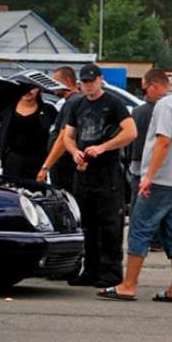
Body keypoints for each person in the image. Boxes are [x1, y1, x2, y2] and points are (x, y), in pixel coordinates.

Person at [97, 69, 172, 302]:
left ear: (154, 85)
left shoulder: (164, 106)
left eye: (144, 88)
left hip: (161, 179)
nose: (144, 93)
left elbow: (163, 141)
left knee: (140, 227)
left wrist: (148, 176)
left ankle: (128, 285)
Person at [64, 63, 137, 288]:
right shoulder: (77, 105)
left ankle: (111, 272)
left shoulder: (113, 103)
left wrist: (103, 147)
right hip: (84, 173)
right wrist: (74, 152)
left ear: (100, 80)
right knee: (87, 224)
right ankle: (90, 269)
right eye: (84, 82)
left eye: (91, 81)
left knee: (109, 224)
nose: (88, 86)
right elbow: (68, 136)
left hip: (107, 173)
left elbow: (131, 132)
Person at [0, 85, 57, 180]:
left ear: (38, 89)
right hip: (12, 158)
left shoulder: (48, 109)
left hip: (37, 161)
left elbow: (60, 129)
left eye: (32, 87)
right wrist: (1, 133)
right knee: (10, 187)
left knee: (34, 188)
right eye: (24, 87)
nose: (28, 91)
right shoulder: (8, 107)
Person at [128, 80, 161, 252]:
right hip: (157, 161)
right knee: (157, 203)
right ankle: (156, 240)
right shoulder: (162, 112)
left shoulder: (136, 112)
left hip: (137, 160)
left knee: (137, 200)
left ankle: (134, 238)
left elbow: (131, 138)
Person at [37, 66, 81, 191]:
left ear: (66, 81)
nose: (52, 86)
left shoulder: (71, 103)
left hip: (64, 165)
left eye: (55, 81)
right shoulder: (74, 101)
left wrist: (46, 167)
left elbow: (63, 138)